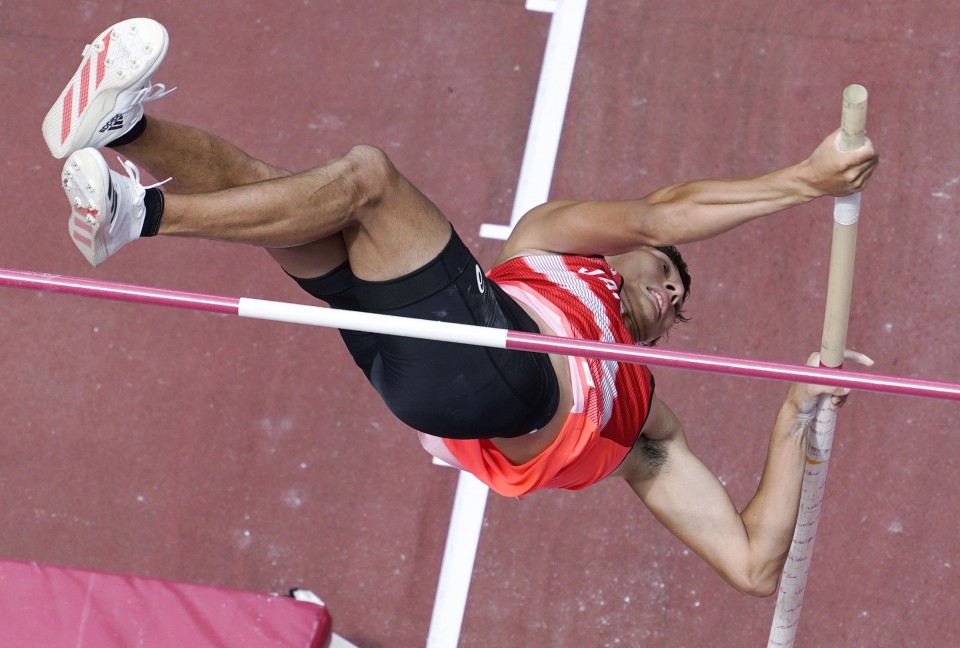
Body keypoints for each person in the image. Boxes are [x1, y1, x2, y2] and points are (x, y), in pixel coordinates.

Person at [44, 18, 877, 597]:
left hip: (509, 394)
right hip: (421, 351)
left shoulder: (647, 425)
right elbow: (665, 211)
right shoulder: (548, 246)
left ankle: (138, 214)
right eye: (665, 273)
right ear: (612, 255)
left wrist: (794, 413)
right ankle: (126, 130)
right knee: (287, 195)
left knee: (368, 178)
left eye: (677, 306)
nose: (670, 291)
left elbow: (752, 565)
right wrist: (801, 183)